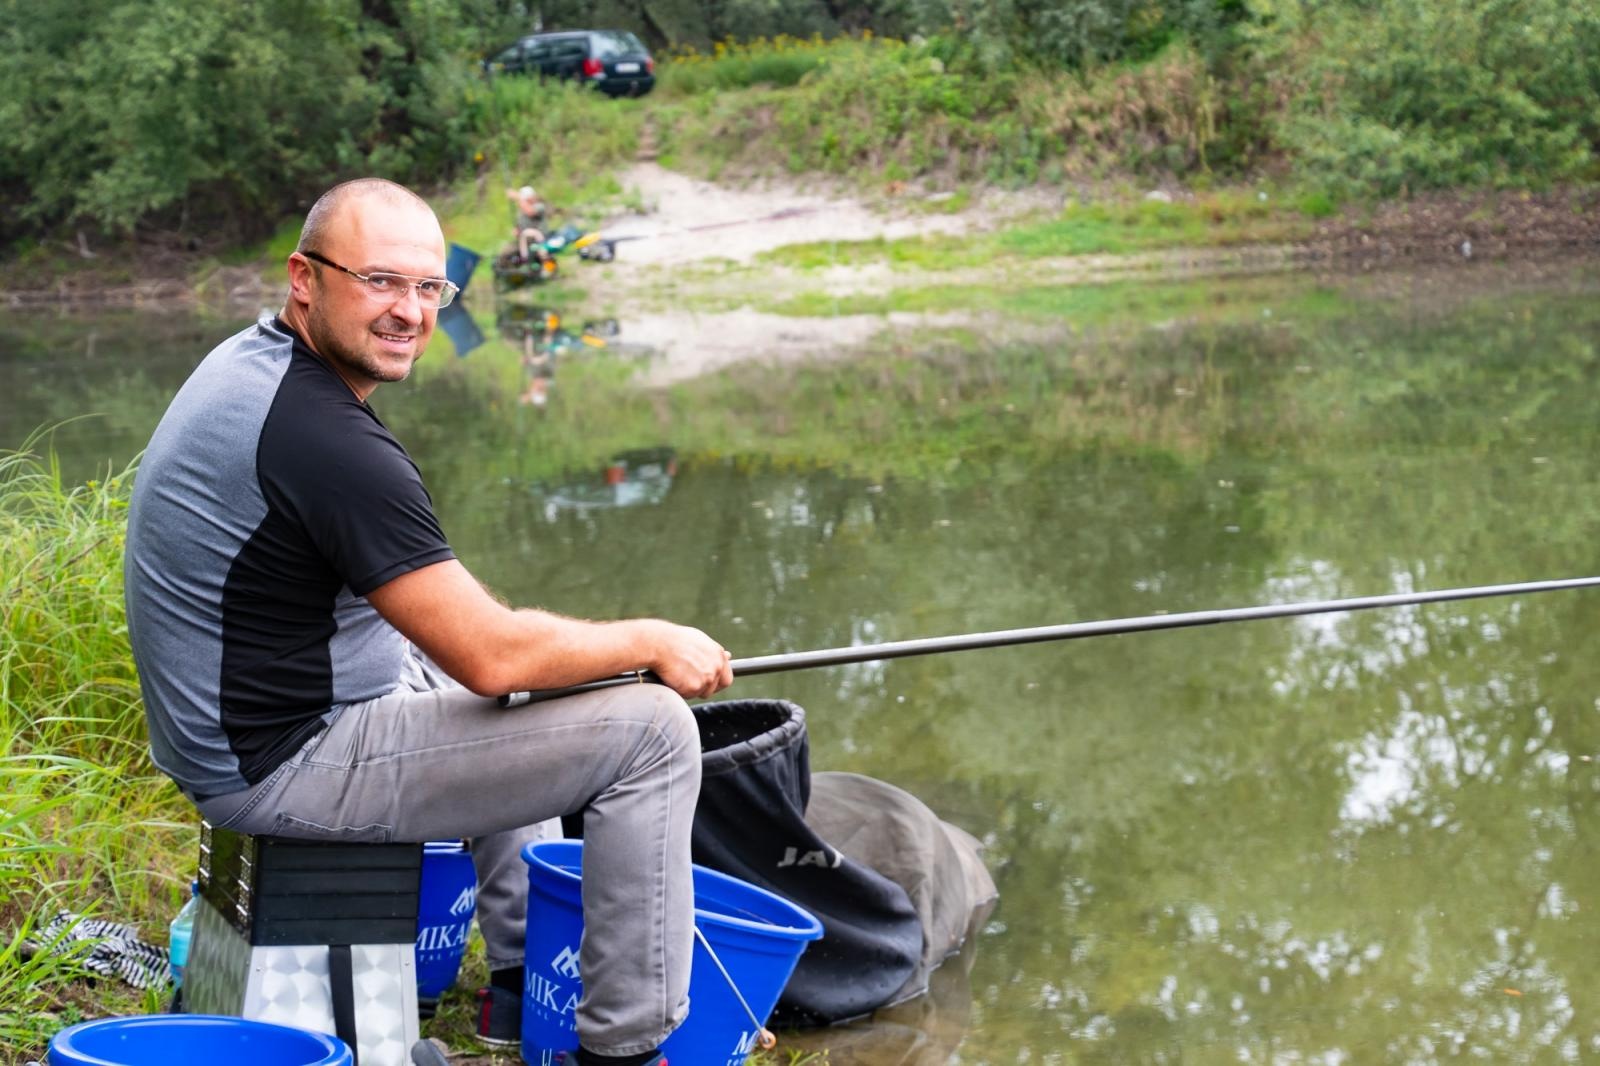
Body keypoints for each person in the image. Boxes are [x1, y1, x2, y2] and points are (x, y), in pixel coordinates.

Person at [123, 177, 731, 1066]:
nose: (409, 311)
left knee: (549, 674)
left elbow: (481, 651)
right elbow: (490, 656)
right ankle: (624, 1051)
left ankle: (519, 990)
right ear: (305, 277)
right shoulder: (326, 440)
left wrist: (572, 661)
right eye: (379, 282)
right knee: (652, 734)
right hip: (280, 760)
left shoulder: (256, 363)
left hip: (242, 720)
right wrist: (650, 641)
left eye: (428, 288)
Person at [508, 183, 549, 264]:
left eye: (525, 199)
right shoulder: (521, 212)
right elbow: (520, 225)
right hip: (525, 241)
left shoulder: (539, 206)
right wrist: (517, 230)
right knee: (508, 249)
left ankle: (527, 260)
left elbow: (530, 211)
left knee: (527, 234)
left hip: (539, 238)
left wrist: (518, 197)